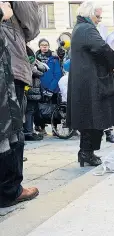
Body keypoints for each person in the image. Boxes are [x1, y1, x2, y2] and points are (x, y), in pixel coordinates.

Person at [67, 1, 114, 167]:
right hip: (91, 81)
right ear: (88, 14)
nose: (99, 20)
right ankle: (87, 153)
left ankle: (86, 152)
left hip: (86, 80)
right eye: (97, 16)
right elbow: (102, 48)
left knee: (90, 117)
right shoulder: (87, 29)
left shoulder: (80, 28)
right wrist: (112, 60)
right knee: (95, 117)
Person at [0, 2, 39, 208]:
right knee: (10, 129)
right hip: (9, 66)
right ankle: (10, 190)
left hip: (10, 63)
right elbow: (32, 24)